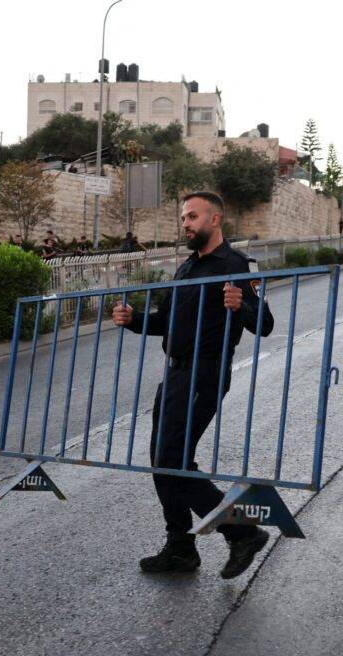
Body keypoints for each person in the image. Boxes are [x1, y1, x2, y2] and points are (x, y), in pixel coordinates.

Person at [112, 191, 274, 578]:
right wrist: (134, 319)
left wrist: (243, 305)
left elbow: (264, 324)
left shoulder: (234, 264)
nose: (185, 223)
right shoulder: (186, 268)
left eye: (192, 216)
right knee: (163, 461)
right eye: (184, 217)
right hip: (175, 372)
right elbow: (166, 322)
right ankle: (181, 547)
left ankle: (242, 532)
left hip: (205, 372)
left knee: (173, 460)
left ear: (214, 220)